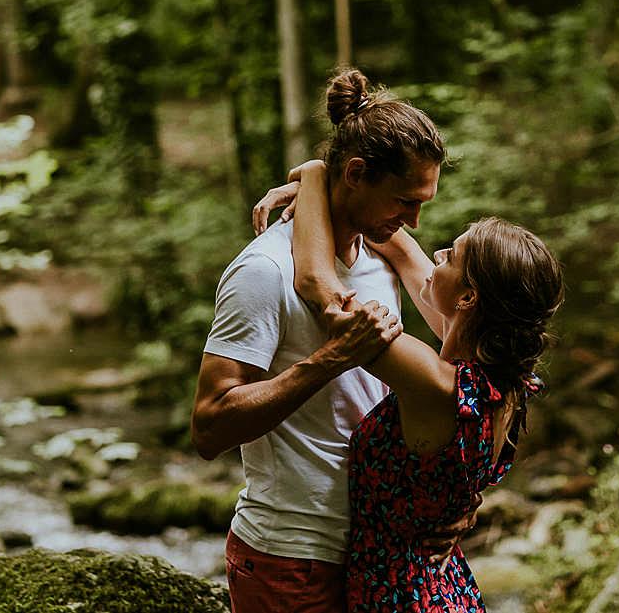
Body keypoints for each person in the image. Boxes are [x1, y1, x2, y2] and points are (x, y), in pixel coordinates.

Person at [192, 69, 448, 613]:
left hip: (379, 551)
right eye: (405, 201)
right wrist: (326, 362)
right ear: (355, 173)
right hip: (291, 556)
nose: (415, 221)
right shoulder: (264, 270)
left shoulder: (384, 255)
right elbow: (209, 427)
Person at [276, 155, 565, 613]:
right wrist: (345, 198)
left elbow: (319, 287)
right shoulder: (505, 381)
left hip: (400, 599)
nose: (436, 255)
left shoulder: (434, 382)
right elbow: (403, 250)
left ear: (468, 298)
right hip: (444, 589)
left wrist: (313, 176)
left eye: (451, 255)